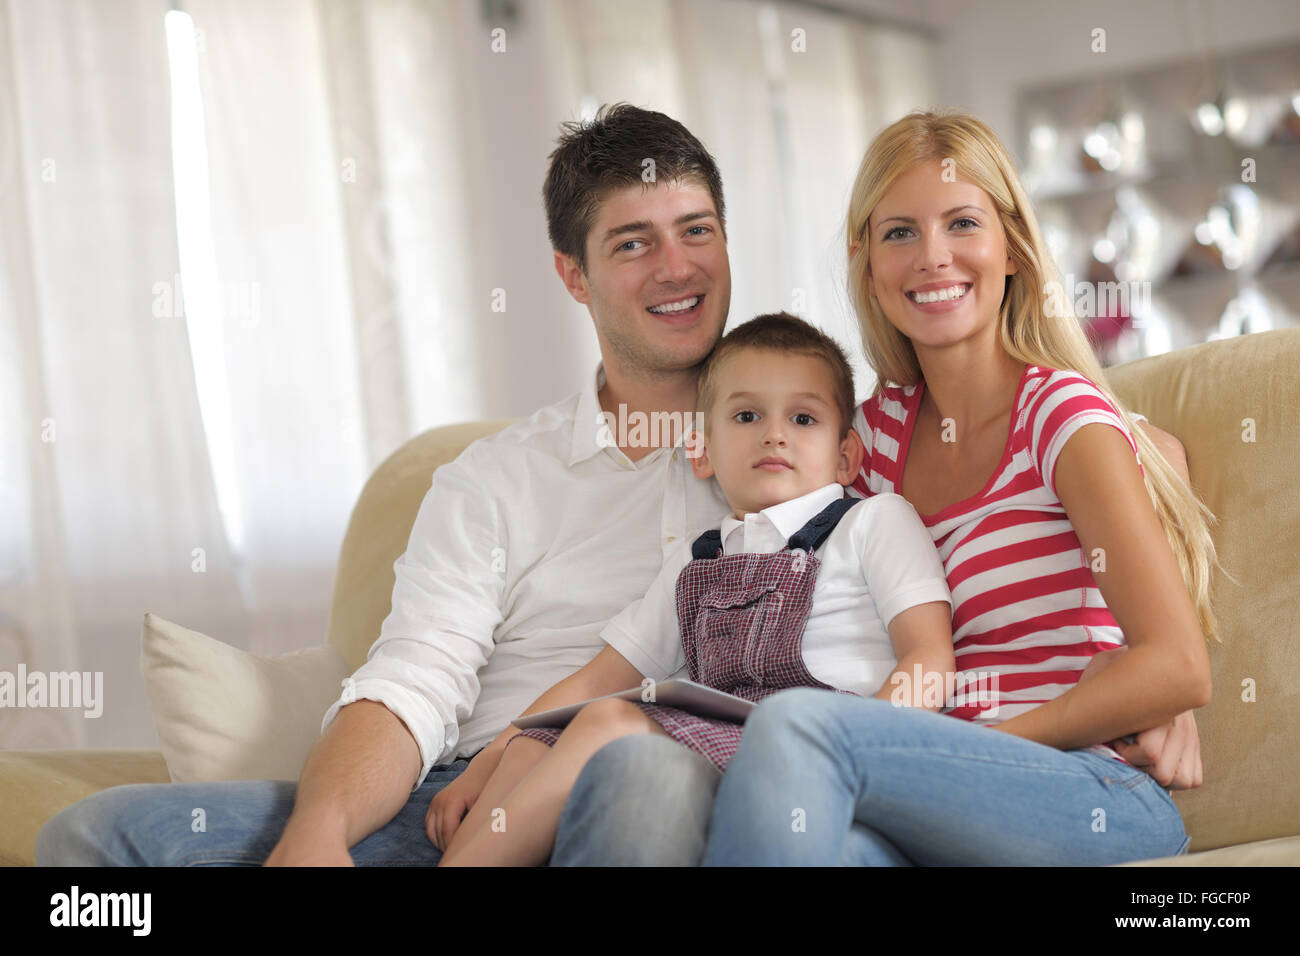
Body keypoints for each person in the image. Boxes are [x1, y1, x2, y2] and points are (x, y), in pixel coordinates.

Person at [34, 103, 1196, 868]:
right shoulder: (494, 477)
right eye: (632, 241)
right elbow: (415, 673)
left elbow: (1098, 444)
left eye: (695, 229)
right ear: (570, 273)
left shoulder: (810, 438)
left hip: (660, 779)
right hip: (452, 797)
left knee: (637, 761)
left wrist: (1158, 672)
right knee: (96, 846)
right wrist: (323, 833)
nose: (676, 264)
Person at [699, 108, 1218, 866]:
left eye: (963, 224)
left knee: (797, 727)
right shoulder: (864, 443)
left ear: (1010, 247)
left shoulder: (1061, 416)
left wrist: (977, 746)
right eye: (900, 232)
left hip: (1086, 787)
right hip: (936, 799)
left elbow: (1178, 666)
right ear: (867, 262)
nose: (932, 257)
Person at [437, 313, 954, 866]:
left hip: (824, 739)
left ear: (847, 455)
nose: (775, 433)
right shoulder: (697, 556)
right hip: (717, 734)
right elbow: (601, 676)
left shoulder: (873, 521)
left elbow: (929, 658)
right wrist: (490, 758)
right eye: (747, 415)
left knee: (607, 722)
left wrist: (856, 749)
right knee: (533, 744)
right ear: (701, 450)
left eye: (803, 418)